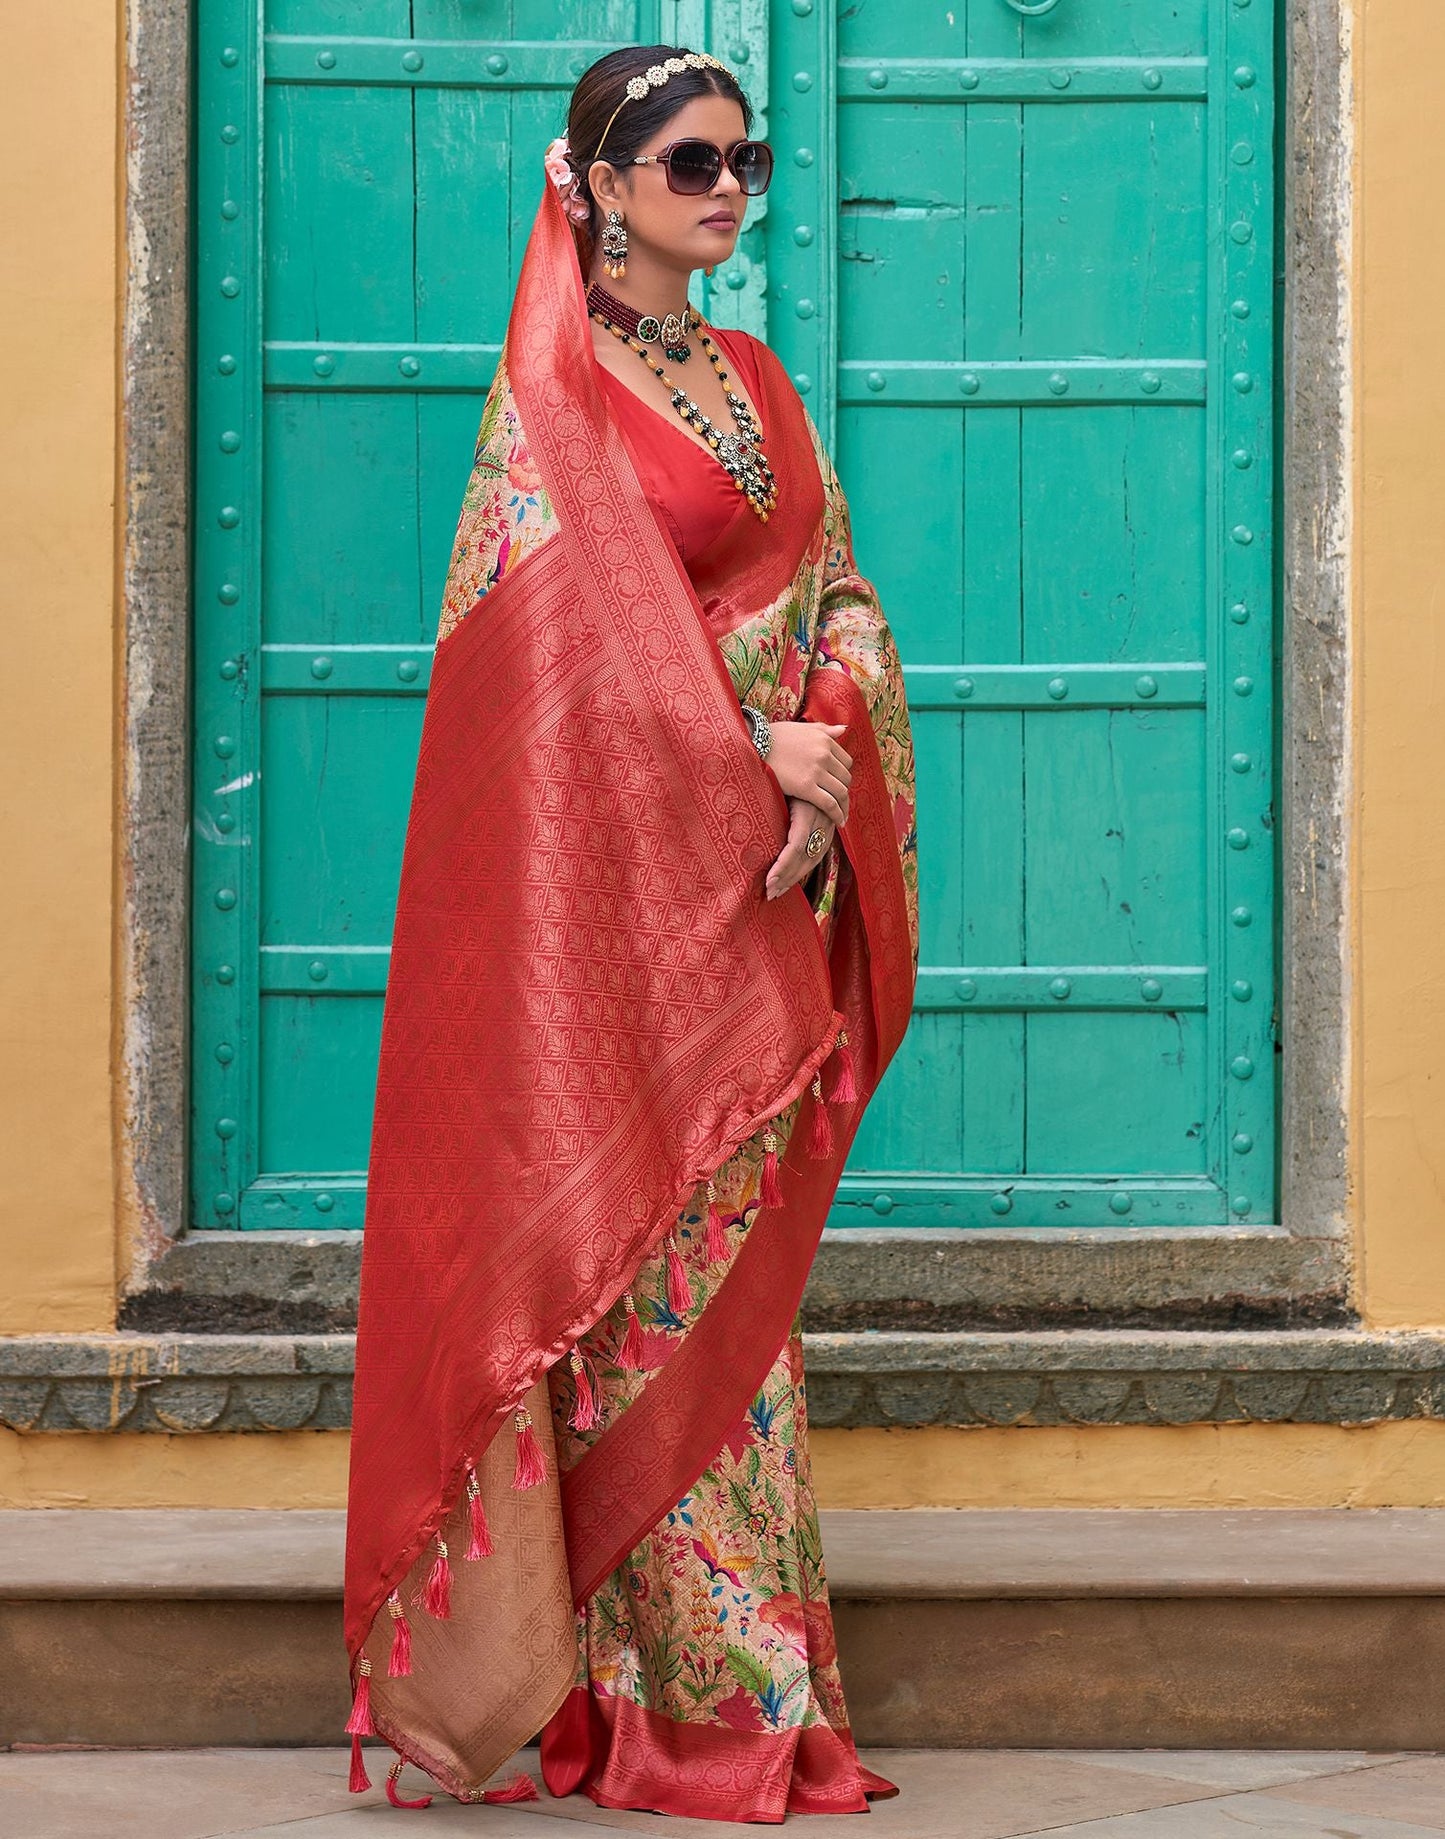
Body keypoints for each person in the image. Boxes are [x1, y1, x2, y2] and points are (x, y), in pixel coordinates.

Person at [341, 42, 920, 1823]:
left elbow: (836, 584)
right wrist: (748, 755)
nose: (729, 190)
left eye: (747, 159)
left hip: (755, 903)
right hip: (620, 939)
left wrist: (824, 750)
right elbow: (564, 679)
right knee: (625, 1296)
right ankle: (630, 1706)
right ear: (592, 183)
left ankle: (742, 1699)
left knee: (734, 1315)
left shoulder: (749, 374)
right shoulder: (554, 397)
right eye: (689, 162)